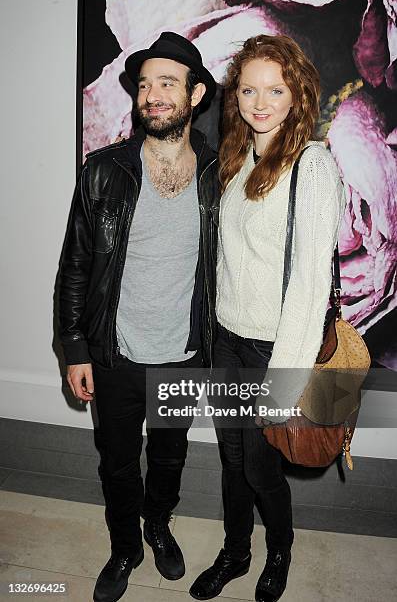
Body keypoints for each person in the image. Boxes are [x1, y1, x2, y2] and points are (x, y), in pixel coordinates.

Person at [58, 31, 219, 602]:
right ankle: (124, 545)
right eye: (145, 85)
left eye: (167, 83)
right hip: (116, 353)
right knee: (119, 462)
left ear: (195, 94)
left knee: (170, 456)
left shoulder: (221, 176)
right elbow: (75, 267)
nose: (152, 95)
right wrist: (75, 349)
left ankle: (158, 525)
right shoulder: (103, 171)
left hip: (184, 353)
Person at [189, 35, 345, 602]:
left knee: (261, 468)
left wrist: (284, 383)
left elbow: (308, 285)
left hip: (271, 349)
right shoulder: (237, 156)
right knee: (233, 460)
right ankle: (235, 552)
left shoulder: (313, 166)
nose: (260, 102)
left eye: (274, 90)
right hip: (227, 339)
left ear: (296, 92)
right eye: (249, 89)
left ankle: (279, 550)